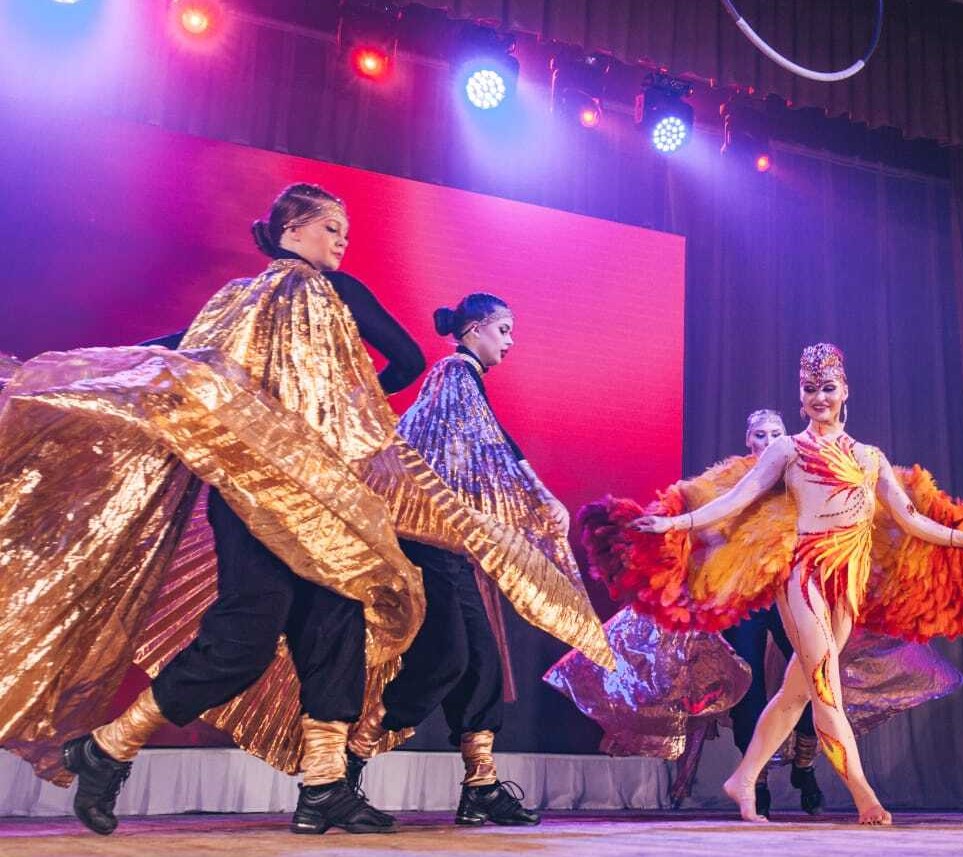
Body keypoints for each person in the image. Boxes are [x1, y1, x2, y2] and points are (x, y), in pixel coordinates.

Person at [0, 185, 610, 836]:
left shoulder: (239, 303)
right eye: (328, 227)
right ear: (290, 232)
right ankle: (108, 746)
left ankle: (323, 787)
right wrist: (344, 408)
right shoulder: (316, 295)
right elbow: (403, 358)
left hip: (313, 498)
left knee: (335, 631)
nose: (341, 239)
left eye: (345, 230)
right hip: (262, 498)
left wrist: (329, 412)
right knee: (244, 639)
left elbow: (176, 354)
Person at [594, 343, 963, 824]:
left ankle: (744, 778)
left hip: (848, 581)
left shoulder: (870, 457)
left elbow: (912, 519)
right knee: (825, 688)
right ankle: (864, 794)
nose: (819, 397)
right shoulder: (787, 450)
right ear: (800, 397)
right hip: (805, 574)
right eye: (809, 389)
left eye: (827, 388)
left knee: (796, 692)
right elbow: (737, 499)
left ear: (845, 391)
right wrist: (676, 523)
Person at [343, 293, 575, 827]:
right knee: (446, 657)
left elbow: (483, 448)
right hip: (424, 541)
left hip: (450, 544)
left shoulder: (462, 384)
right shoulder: (453, 374)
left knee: (482, 663)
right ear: (473, 330)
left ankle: (481, 785)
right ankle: (349, 756)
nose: (510, 341)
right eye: (503, 329)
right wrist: (540, 496)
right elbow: (496, 445)